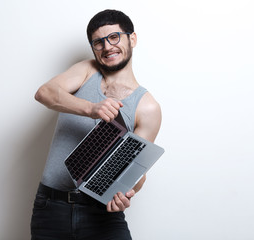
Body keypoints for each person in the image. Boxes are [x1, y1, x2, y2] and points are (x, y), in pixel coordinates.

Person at [31, 9, 162, 240]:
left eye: (114, 37)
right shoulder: (87, 70)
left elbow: (138, 171)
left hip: (102, 214)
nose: (107, 47)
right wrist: (91, 108)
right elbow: (44, 93)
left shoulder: (147, 107)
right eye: (98, 42)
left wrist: (127, 192)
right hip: (51, 207)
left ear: (132, 38)